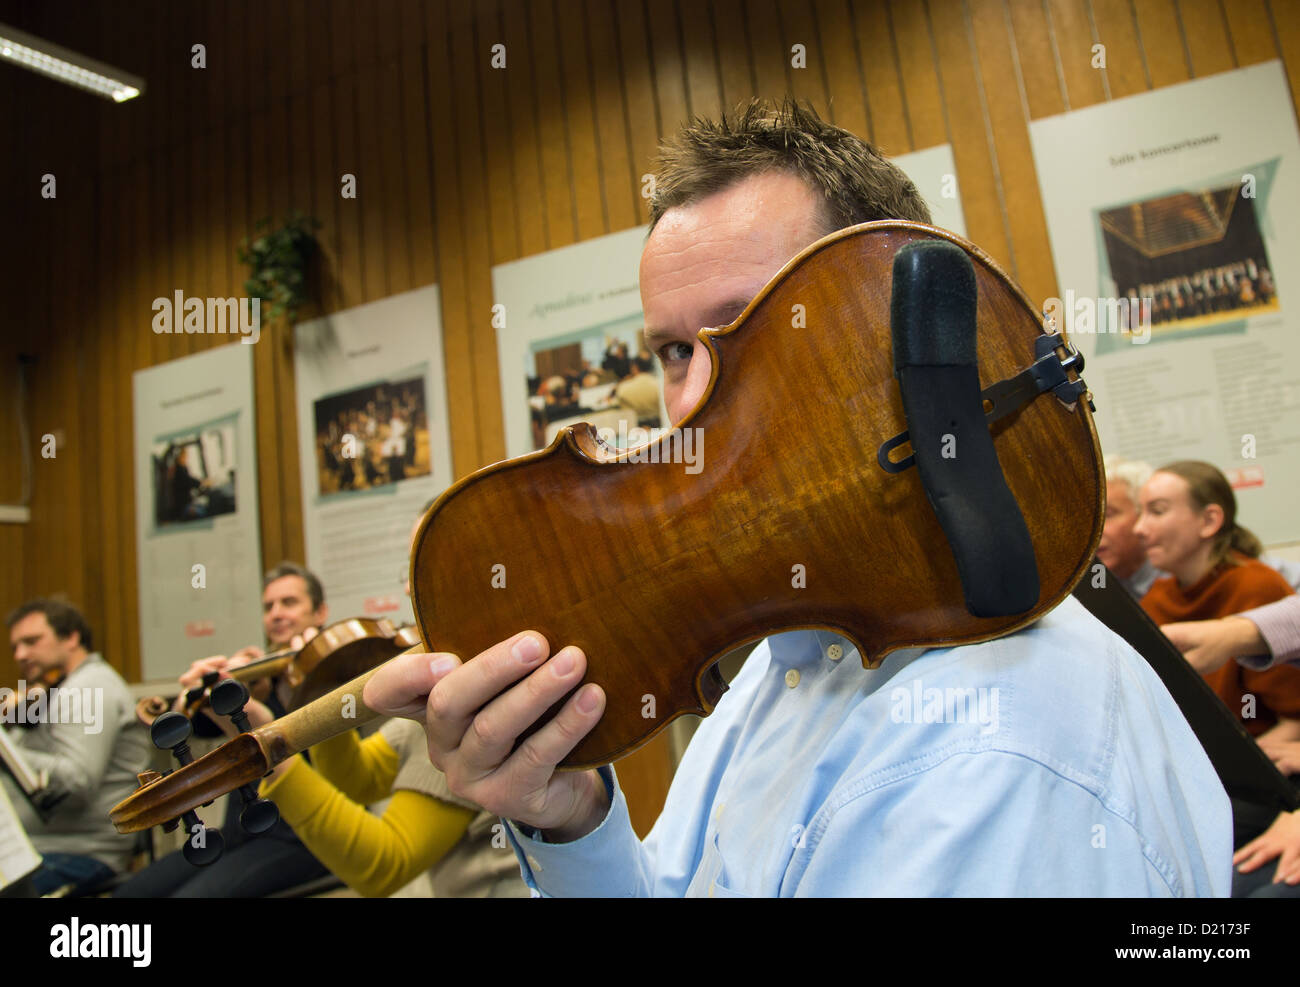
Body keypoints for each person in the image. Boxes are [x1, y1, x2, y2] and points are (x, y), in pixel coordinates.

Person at [363, 99, 1230, 897]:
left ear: (884, 324)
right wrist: (573, 815)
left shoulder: (993, 755)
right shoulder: (795, 649)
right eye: (672, 350)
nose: (695, 397)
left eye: (753, 329)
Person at [116, 563, 334, 897]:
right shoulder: (256, 679)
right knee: (134, 893)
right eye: (268, 607)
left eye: (289, 603)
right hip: (242, 832)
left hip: (303, 836)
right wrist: (199, 693)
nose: (276, 614)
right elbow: (193, 727)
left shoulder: (337, 672)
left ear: (320, 612)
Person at [1136, 461, 1300, 741]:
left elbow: (1294, 719)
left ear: (1209, 521)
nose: (1139, 528)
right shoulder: (1156, 597)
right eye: (1141, 513)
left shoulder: (1256, 585)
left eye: (1157, 511)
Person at [2, 598, 148, 895]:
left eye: (31, 641)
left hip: (81, 854)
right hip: (43, 850)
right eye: (15, 647)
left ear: (71, 637)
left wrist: (8, 751)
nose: (21, 654)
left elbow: (76, 781)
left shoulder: (91, 688)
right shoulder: (60, 689)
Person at [1099, 455, 1161, 598]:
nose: (1094, 534)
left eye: (1107, 515)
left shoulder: (1178, 580)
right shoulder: (1094, 586)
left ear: (1143, 514)